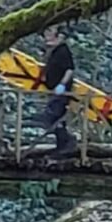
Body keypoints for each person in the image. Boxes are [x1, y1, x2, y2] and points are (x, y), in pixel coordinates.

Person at [36, 26, 77, 154]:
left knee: (53, 116)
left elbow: (69, 69)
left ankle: (68, 143)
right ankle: (62, 146)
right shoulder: (54, 51)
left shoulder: (63, 51)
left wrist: (62, 85)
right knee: (56, 117)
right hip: (53, 89)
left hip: (61, 91)